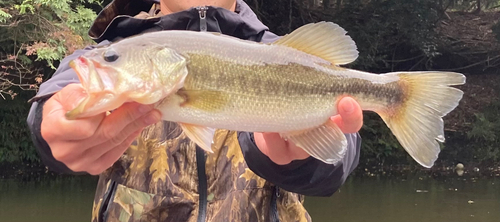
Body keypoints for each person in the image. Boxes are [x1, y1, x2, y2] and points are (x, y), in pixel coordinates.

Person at [27, 0, 363, 221]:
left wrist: (302, 159)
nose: (105, 61)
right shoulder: (114, 47)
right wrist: (50, 125)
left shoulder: (280, 51)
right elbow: (60, 93)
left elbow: (341, 155)